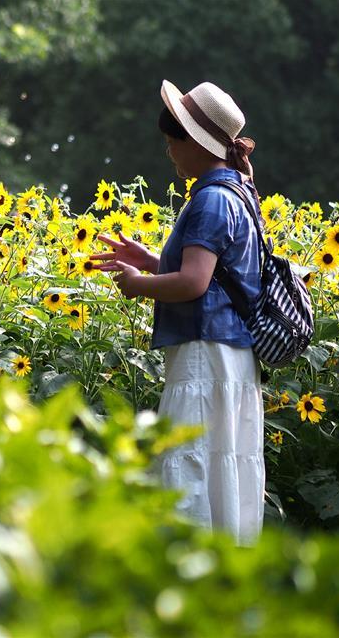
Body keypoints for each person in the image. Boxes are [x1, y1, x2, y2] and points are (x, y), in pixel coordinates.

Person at [90, 80, 265, 547]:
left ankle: (188, 576)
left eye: (173, 142)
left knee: (189, 466)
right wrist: (152, 260)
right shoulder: (239, 193)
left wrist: (138, 285)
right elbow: (213, 271)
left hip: (204, 356)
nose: (169, 153)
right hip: (232, 357)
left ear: (197, 144)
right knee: (223, 468)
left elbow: (194, 283)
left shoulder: (209, 199)